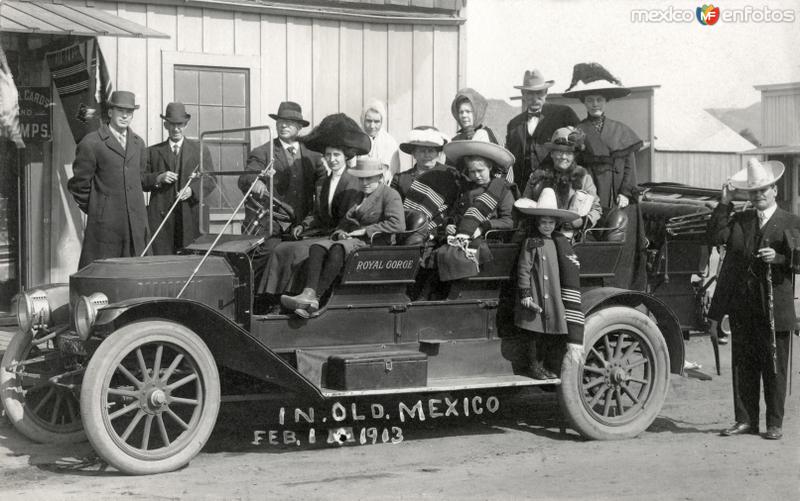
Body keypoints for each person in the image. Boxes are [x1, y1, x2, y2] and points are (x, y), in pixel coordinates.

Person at [707, 158, 800, 441]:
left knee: (774, 366)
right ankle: (745, 420)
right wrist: (724, 204)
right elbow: (715, 236)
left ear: (774, 190)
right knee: (743, 365)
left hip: (775, 307)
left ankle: (774, 423)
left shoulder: (791, 221)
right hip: (743, 306)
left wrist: (781, 258)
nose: (758, 195)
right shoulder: (742, 220)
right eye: (753, 191)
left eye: (763, 190)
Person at [258, 113, 367, 302]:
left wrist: (337, 232)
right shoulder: (326, 181)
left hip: (339, 236)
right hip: (322, 232)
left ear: (345, 157)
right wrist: (305, 226)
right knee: (281, 249)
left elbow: (351, 217)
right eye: (328, 155)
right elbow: (318, 212)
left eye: (336, 155)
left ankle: (301, 295)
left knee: (299, 252)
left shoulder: (353, 181)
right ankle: (272, 297)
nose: (332, 159)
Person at [281, 158, 405, 317]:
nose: (365, 182)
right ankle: (308, 294)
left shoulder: (390, 195)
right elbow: (346, 221)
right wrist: (340, 232)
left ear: (380, 177)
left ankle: (316, 297)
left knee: (338, 248)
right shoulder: (358, 195)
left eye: (370, 178)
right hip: (354, 240)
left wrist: (365, 231)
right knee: (317, 247)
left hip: (375, 243)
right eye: (361, 179)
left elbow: (398, 225)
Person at [563, 62, 646, 288]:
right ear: (584, 103)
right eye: (590, 100)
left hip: (619, 195)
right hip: (591, 192)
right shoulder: (577, 132)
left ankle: (621, 288)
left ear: (606, 101)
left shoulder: (621, 130)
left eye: (599, 99)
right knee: (590, 236)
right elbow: (574, 166)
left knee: (621, 242)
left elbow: (629, 165)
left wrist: (627, 193)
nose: (595, 104)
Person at [237, 101, 325, 286]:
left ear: (300, 127)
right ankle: (257, 301)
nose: (283, 125)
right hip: (270, 224)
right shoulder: (263, 152)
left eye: (290, 122)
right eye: (280, 121)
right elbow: (246, 177)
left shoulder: (314, 155)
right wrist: (257, 181)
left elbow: (325, 183)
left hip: (303, 224)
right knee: (265, 254)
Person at [508, 187, 585, 379]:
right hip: (536, 293)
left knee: (551, 333)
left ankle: (547, 366)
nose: (547, 226)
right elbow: (524, 269)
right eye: (543, 222)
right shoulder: (532, 242)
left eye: (551, 222)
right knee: (533, 334)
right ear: (537, 223)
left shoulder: (560, 243)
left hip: (553, 294)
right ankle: (533, 366)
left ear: (556, 224)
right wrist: (526, 294)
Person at [68, 91, 150, 269]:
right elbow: (79, 185)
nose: (125, 115)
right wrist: (99, 209)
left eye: (129, 111)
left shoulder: (139, 143)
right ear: (110, 112)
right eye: (120, 110)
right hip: (105, 229)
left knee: (134, 277)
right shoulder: (92, 142)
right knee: (103, 278)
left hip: (134, 227)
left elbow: (141, 178)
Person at [436, 140, 515, 282]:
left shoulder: (502, 190)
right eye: (472, 172)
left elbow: (508, 221)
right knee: (437, 253)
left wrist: (482, 227)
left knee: (450, 255)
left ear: (490, 167)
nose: (477, 175)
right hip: (460, 237)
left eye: (480, 171)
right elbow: (455, 213)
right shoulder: (466, 189)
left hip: (488, 239)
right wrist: (450, 224)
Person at [142, 102, 215, 255]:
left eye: (180, 124)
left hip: (190, 217)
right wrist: (158, 177)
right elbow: (141, 180)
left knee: (189, 260)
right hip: (162, 220)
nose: (176, 129)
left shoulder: (200, 150)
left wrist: (192, 190)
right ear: (165, 125)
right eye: (172, 124)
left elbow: (211, 180)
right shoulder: (153, 152)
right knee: (163, 262)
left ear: (186, 124)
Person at [522, 127, 601, 240]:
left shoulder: (583, 178)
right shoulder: (538, 176)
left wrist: (580, 222)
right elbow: (525, 202)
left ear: (574, 155)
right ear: (552, 154)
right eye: (559, 152)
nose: (563, 157)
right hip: (539, 234)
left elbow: (596, 209)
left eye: (568, 153)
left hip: (572, 236)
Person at [505, 69, 579, 188]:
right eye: (530, 93)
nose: (534, 98)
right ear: (523, 94)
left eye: (539, 93)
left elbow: (579, 147)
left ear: (546, 92)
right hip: (522, 188)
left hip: (555, 185)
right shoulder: (513, 125)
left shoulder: (564, 114)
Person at [391, 126, 451, 198]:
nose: (427, 155)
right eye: (422, 151)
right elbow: (393, 206)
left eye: (431, 151)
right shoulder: (400, 179)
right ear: (413, 154)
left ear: (438, 154)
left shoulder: (450, 175)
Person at [359, 99, 400, 183]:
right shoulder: (355, 139)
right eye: (368, 121)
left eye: (377, 121)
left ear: (382, 121)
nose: (372, 126)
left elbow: (389, 172)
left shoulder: (389, 143)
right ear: (363, 119)